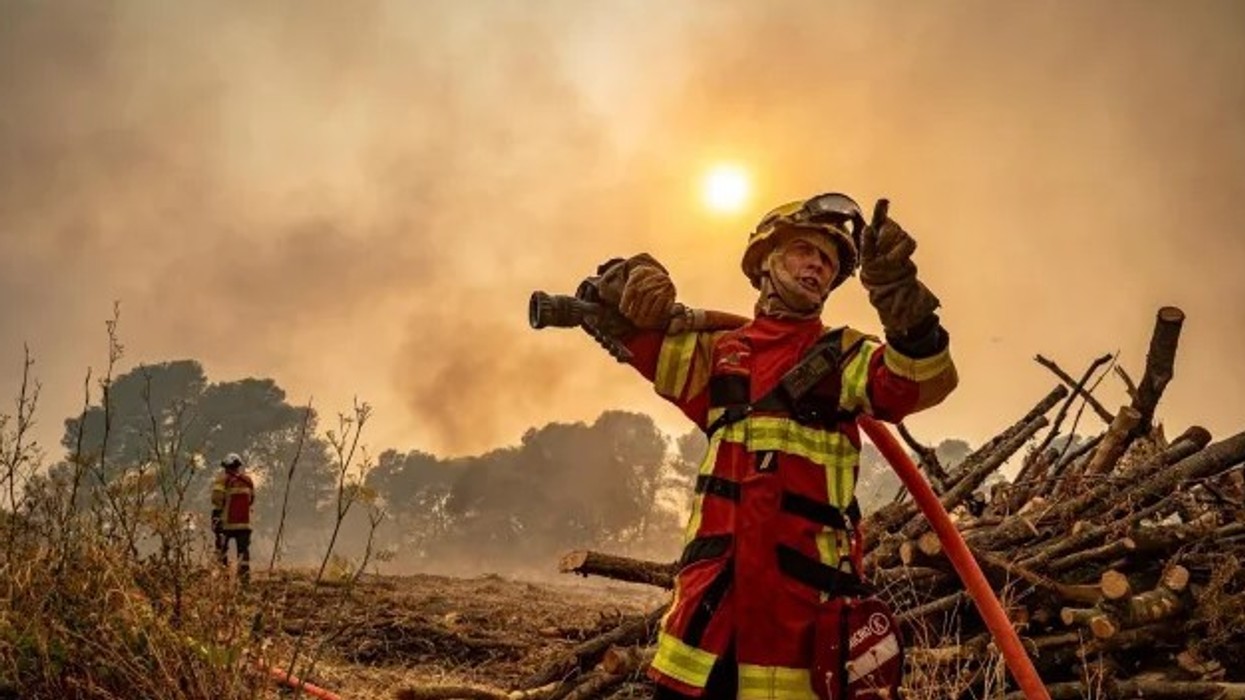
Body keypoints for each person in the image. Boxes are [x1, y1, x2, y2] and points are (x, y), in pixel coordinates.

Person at [579, 193, 958, 699]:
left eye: (828, 261)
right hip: (708, 616)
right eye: (805, 250)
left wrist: (900, 298)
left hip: (800, 618)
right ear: (763, 261)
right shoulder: (718, 353)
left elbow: (922, 380)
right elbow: (616, 322)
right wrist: (630, 277)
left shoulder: (843, 357)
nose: (817, 266)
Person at [211, 452, 255, 584]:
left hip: (226, 525)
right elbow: (251, 500)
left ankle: (224, 578)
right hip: (244, 525)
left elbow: (216, 500)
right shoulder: (248, 481)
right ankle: (244, 580)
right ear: (238, 466)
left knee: (221, 551)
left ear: (226, 467)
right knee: (243, 552)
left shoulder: (222, 480)